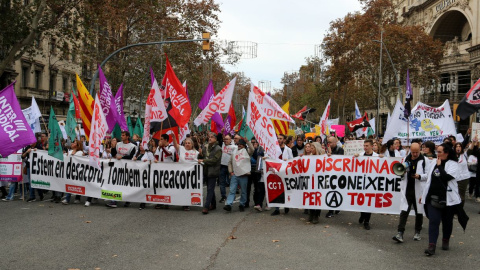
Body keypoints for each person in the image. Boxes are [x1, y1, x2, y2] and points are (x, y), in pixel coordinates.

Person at [421, 143, 461, 256]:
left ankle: (445, 240)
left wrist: (439, 166)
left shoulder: (453, 164)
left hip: (448, 199)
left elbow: (447, 177)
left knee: (447, 222)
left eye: (439, 152)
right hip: (433, 197)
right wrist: (423, 193)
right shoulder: (433, 162)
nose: (437, 154)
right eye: (436, 152)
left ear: (446, 153)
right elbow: (428, 178)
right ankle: (431, 245)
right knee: (434, 221)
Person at [392, 142, 429, 243]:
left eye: (417, 152)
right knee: (404, 211)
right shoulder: (405, 159)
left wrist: (419, 176)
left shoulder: (424, 160)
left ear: (420, 150)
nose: (415, 154)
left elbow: (428, 175)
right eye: (413, 152)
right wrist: (402, 174)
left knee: (419, 212)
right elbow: (401, 174)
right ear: (410, 150)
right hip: (408, 189)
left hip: (418, 190)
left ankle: (417, 232)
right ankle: (400, 233)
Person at [106, 131, 136, 208]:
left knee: (126, 184)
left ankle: (128, 200)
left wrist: (122, 157)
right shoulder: (118, 144)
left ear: (127, 137)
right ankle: (114, 201)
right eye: (121, 135)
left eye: (123, 135)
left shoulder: (132, 146)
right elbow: (114, 154)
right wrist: (113, 147)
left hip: (127, 168)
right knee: (116, 183)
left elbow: (130, 156)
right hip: (118, 167)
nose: (121, 136)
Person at [223, 138, 255, 212]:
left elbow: (252, 149)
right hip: (235, 174)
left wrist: (247, 141)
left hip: (244, 175)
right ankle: (229, 204)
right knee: (232, 190)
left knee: (243, 191)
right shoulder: (234, 152)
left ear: (244, 145)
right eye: (239, 144)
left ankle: (242, 204)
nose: (240, 145)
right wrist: (231, 171)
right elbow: (230, 162)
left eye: (241, 144)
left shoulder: (247, 151)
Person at [354, 139, 379, 230]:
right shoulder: (360, 155)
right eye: (364, 146)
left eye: (367, 146)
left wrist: (383, 159)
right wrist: (355, 157)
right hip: (362, 182)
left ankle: (366, 221)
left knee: (369, 201)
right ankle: (362, 215)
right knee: (362, 200)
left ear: (372, 146)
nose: (365, 147)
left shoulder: (377, 157)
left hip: (372, 183)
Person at [198, 132, 222, 214]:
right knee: (210, 188)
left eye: (212, 137)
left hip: (213, 171)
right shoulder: (205, 147)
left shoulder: (218, 149)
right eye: (209, 137)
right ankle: (214, 204)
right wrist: (200, 154)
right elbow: (202, 157)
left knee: (210, 189)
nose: (210, 138)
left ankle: (206, 206)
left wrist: (204, 160)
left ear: (215, 139)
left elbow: (214, 160)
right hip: (206, 170)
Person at [271, 134, 293, 216]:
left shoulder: (288, 150)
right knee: (276, 190)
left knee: (285, 190)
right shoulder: (273, 149)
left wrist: (287, 160)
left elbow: (292, 161)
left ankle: (286, 205)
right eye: (278, 138)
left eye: (280, 138)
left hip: (284, 173)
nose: (279, 140)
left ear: (284, 140)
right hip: (275, 172)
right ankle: (277, 209)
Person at [62, 140, 85, 205]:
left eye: (74, 143)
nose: (72, 143)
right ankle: (67, 199)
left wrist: (73, 151)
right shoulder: (70, 151)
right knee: (69, 183)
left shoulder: (80, 152)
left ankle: (77, 198)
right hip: (70, 171)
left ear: (78, 146)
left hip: (77, 171)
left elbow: (72, 158)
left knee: (78, 184)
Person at [325, 136, 344, 218]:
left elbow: (338, 160)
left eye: (330, 142)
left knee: (335, 192)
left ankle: (332, 210)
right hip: (328, 174)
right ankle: (332, 209)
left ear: (334, 142)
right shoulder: (326, 149)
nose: (328, 144)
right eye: (327, 142)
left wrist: (331, 154)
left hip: (337, 175)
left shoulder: (340, 149)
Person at [219, 134, 236, 203]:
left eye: (227, 139)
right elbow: (219, 138)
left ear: (230, 140)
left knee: (232, 182)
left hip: (230, 167)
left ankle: (232, 196)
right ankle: (223, 196)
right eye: (225, 139)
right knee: (222, 182)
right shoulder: (223, 145)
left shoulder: (234, 147)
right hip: (222, 166)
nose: (225, 140)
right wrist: (222, 132)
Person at [454, 142, 470, 208]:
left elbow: (470, 148)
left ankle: (460, 211)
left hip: (463, 178)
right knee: (455, 194)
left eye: (459, 146)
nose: (458, 148)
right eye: (457, 146)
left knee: (461, 195)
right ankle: (455, 210)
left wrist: (474, 141)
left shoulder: (465, 155)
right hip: (455, 178)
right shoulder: (452, 156)